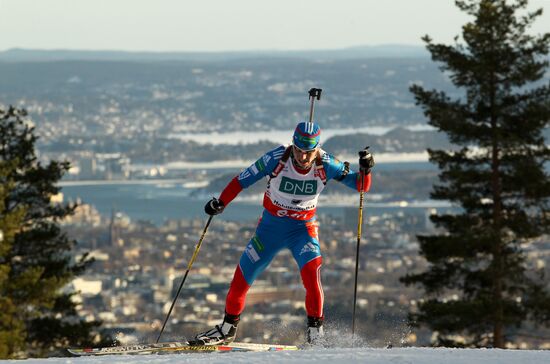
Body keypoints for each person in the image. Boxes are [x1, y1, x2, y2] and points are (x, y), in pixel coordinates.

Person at [189, 121, 374, 346]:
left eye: (308, 153)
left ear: (316, 149)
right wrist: (221, 202)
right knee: (241, 278)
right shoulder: (277, 158)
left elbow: (361, 186)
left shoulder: (327, 163)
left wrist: (366, 169)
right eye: (298, 150)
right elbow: (241, 180)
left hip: (302, 230)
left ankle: (315, 335)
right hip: (270, 228)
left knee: (312, 274)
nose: (303, 158)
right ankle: (227, 329)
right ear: (292, 145)